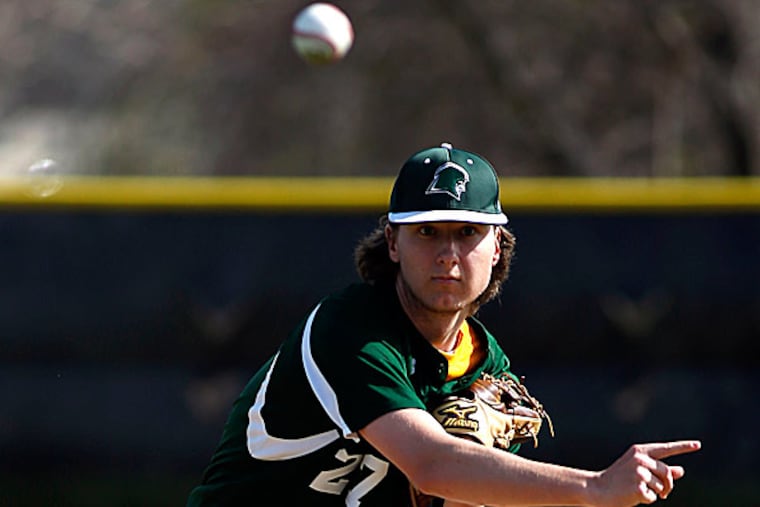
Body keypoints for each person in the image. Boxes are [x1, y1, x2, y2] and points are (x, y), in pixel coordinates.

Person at [186, 143, 701, 506]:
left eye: (468, 233)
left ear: (497, 246)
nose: (448, 255)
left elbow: (460, 494)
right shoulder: (352, 331)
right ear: (392, 243)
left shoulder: (484, 365)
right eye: (427, 232)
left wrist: (478, 470)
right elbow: (433, 466)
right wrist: (593, 488)